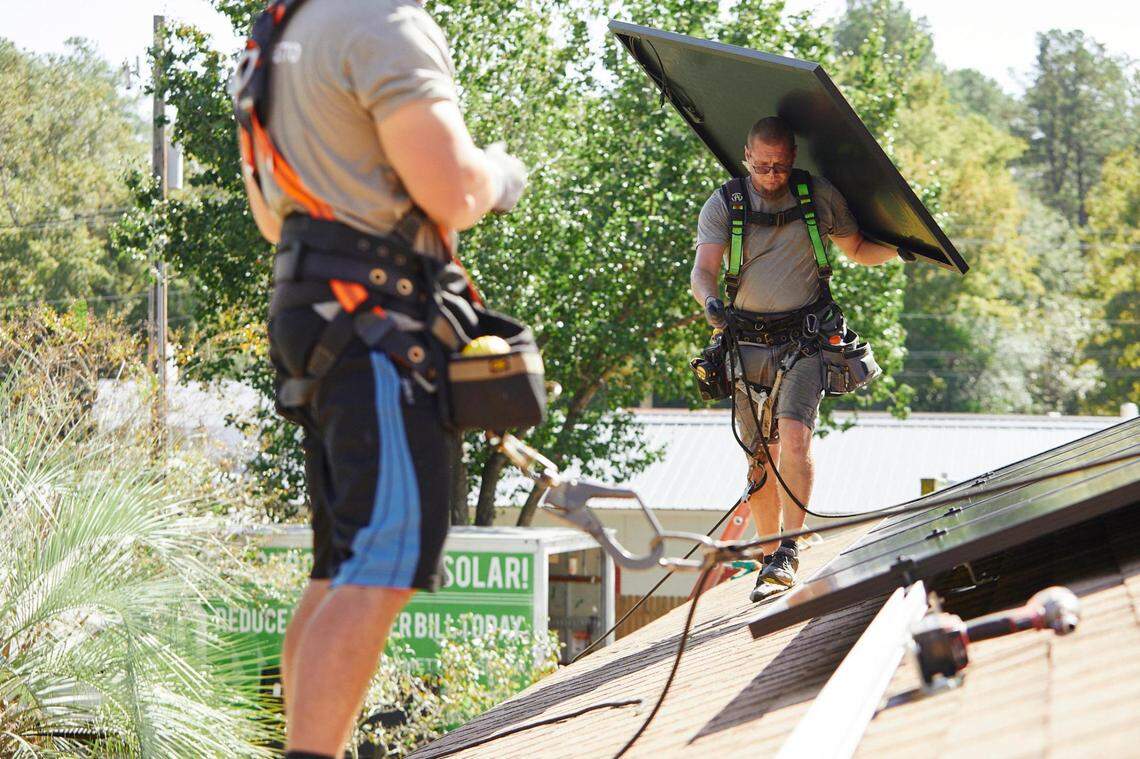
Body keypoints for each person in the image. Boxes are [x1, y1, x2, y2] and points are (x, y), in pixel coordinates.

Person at [233, 2, 527, 757]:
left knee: (340, 565)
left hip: (311, 304)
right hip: (374, 325)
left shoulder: (281, 32)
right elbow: (454, 190)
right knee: (383, 557)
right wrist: (499, 175)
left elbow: (271, 216)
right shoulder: (379, 22)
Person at [690, 116, 902, 602]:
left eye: (780, 167)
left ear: (792, 161)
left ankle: (789, 548)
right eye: (761, 166)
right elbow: (703, 270)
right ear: (745, 157)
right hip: (743, 343)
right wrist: (709, 305)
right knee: (758, 456)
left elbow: (860, 249)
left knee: (794, 435)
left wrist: (908, 245)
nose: (769, 176)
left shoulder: (816, 197)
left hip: (804, 339)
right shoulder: (725, 203)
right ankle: (768, 560)